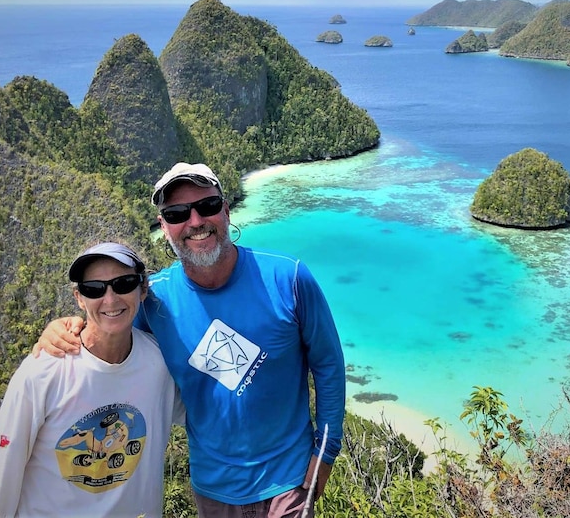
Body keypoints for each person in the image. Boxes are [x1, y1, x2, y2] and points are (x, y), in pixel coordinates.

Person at [37, 162, 346, 517]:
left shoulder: (288, 279)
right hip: (213, 489)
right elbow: (108, 341)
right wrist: (65, 328)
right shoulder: (154, 303)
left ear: (226, 211)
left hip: (288, 481)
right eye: (177, 213)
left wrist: (326, 451)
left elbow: (328, 365)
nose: (196, 221)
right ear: (164, 227)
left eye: (208, 206)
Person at [0, 242, 185, 517]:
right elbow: (0, 472)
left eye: (123, 284)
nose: (110, 299)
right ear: (79, 298)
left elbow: (205, 412)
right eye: (94, 289)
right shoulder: (43, 373)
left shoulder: (159, 362)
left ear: (143, 288)